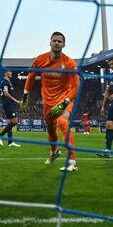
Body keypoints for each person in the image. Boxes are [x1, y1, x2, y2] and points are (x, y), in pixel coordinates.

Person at [22, 32, 79, 172]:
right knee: (51, 130)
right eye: (54, 40)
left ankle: (72, 161)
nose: (57, 43)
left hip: (65, 98)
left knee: (62, 122)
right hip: (48, 102)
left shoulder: (70, 63)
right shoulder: (40, 60)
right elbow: (30, 77)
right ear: (50, 42)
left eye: (60, 41)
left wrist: (66, 102)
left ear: (64, 45)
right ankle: (54, 152)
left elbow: (76, 86)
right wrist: (25, 95)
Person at [0, 70, 22, 147]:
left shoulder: (8, 82)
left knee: (11, 122)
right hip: (7, 104)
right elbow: (6, 93)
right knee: (15, 121)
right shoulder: (5, 82)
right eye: (9, 71)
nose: (11, 73)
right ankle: (0, 135)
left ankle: (10, 142)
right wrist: (16, 101)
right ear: (5, 73)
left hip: (9, 104)